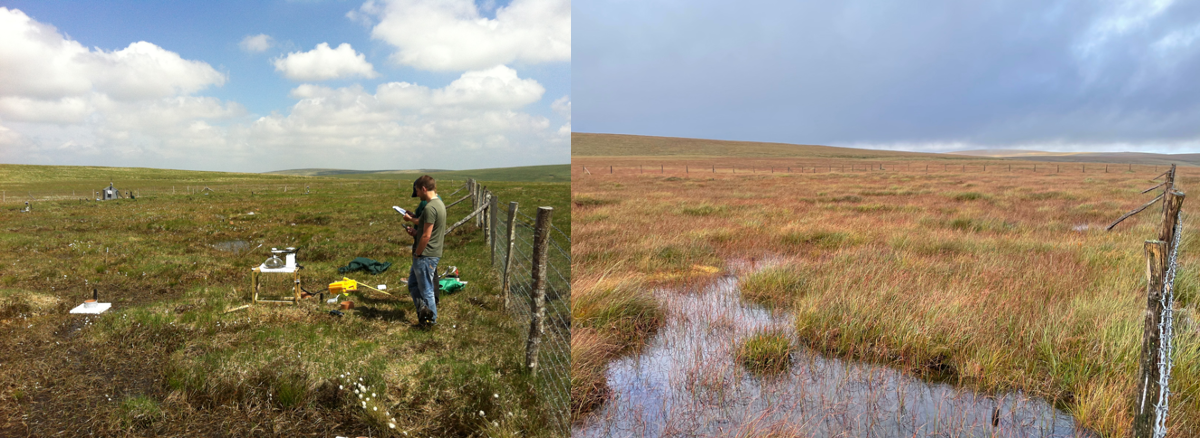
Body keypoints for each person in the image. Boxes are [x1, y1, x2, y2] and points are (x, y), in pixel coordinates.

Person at [401, 175, 446, 325]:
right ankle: (423, 311)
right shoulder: (438, 204)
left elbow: (426, 236)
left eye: (417, 190)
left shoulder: (430, 208)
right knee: (413, 285)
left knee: (426, 290)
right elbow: (426, 229)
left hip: (426, 255)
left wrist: (418, 253)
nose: (417, 194)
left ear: (424, 189)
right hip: (428, 254)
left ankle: (430, 322)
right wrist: (415, 233)